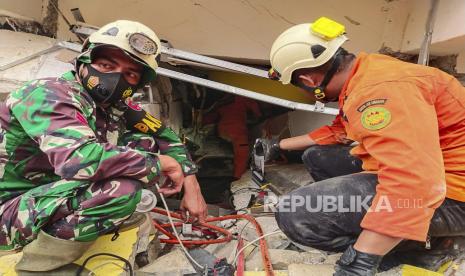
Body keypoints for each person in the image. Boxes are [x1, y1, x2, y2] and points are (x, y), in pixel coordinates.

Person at [258, 17, 465, 275]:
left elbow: (414, 181)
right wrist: (278, 145)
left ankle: (429, 248)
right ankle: (397, 234)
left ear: (309, 81)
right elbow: (339, 130)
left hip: (453, 195)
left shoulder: (378, 91)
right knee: (317, 157)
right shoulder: (368, 72)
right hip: (436, 170)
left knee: (295, 213)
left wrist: (358, 265)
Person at [0, 20, 207, 272]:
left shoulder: (117, 106)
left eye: (130, 74)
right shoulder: (49, 94)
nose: (114, 78)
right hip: (8, 211)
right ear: (85, 61)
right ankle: (38, 267)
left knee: (144, 143)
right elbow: (77, 159)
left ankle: (73, 226)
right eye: (106, 65)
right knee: (122, 187)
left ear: (137, 84)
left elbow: (164, 136)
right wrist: (160, 163)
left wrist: (191, 184)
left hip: (48, 193)